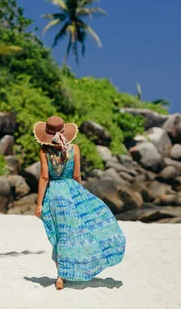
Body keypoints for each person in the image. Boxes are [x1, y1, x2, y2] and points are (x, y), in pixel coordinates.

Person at [33, 115, 126, 290]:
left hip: (54, 194)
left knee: (61, 236)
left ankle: (61, 276)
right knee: (75, 232)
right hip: (71, 191)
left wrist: (39, 204)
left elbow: (45, 177)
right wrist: (80, 195)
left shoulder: (44, 151)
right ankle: (73, 270)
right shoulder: (74, 149)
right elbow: (76, 175)